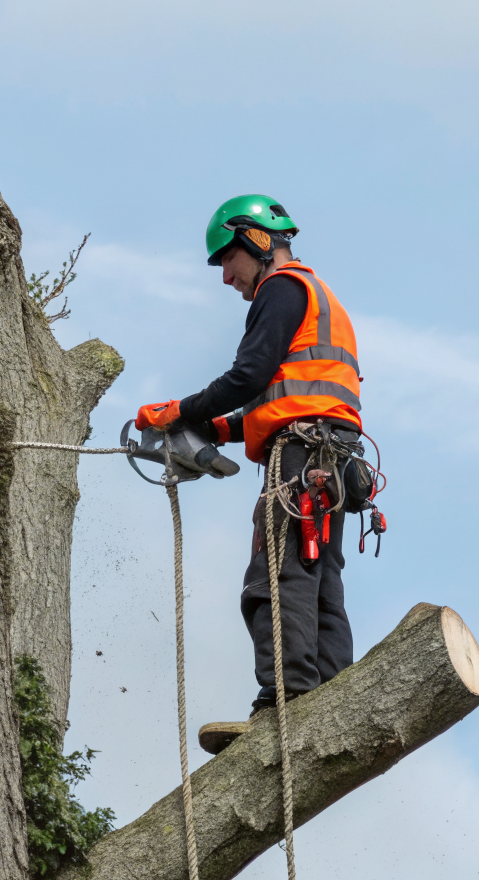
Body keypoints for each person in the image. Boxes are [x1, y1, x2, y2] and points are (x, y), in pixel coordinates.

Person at [133, 195, 366, 754]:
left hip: (299, 457)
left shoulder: (281, 290)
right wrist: (212, 429)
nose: (226, 276)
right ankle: (331, 694)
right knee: (319, 581)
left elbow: (249, 376)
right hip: (331, 454)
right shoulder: (317, 296)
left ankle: (284, 703)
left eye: (228, 260)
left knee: (277, 577)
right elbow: (283, 398)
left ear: (257, 243)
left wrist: (181, 412)